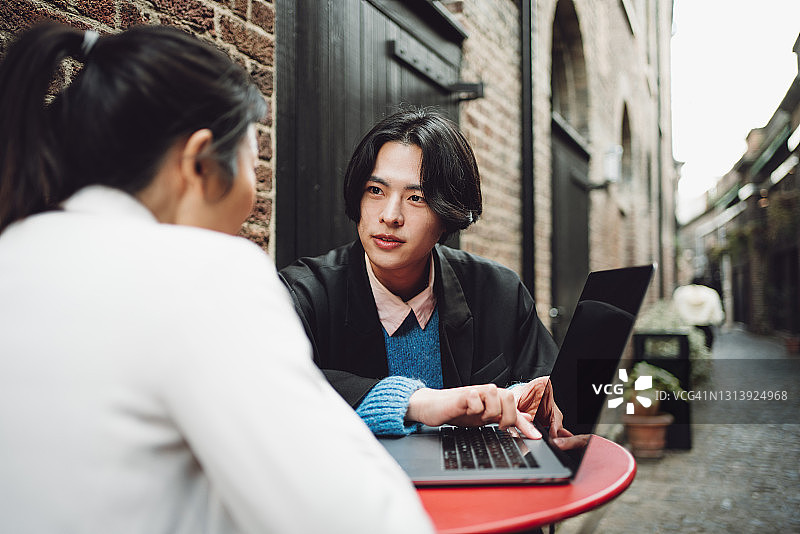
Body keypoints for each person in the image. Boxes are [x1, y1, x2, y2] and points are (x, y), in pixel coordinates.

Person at [0, 23, 433, 533]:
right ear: (198, 162)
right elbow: (364, 520)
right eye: (252, 163)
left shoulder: (16, 252)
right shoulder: (202, 273)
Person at [280, 108, 576, 446]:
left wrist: (525, 398)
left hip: (476, 491)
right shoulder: (304, 292)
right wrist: (416, 402)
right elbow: (268, 385)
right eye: (375, 191)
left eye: (416, 198)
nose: (390, 216)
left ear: (448, 213)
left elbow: (551, 392)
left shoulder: (498, 290)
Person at [673, 277, 725, 350]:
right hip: (705, 329)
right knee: (706, 351)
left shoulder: (680, 292)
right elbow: (717, 316)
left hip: (685, 329)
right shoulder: (711, 293)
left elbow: (674, 310)